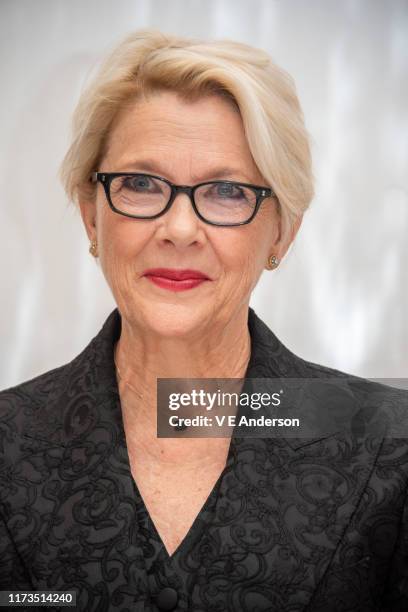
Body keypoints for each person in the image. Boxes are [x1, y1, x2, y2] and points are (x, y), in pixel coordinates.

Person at [0, 29, 407, 612]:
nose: (181, 229)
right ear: (92, 216)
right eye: (141, 184)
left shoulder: (387, 440)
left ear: (282, 233)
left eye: (226, 191)